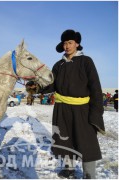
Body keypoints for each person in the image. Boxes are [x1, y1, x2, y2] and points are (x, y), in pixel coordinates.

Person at [39, 29, 105, 179]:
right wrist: (36, 86)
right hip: (62, 109)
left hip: (82, 109)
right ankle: (69, 169)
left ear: (77, 44)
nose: (67, 46)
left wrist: (96, 113)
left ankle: (89, 175)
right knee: (65, 140)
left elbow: (95, 87)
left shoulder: (86, 61)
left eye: (70, 43)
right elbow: (51, 85)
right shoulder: (58, 65)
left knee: (86, 142)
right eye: (64, 43)